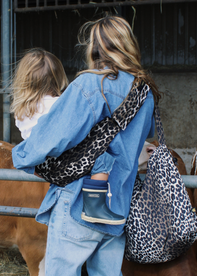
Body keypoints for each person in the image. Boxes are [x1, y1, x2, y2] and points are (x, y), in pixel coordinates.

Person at [12, 15, 159, 276]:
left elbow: (47, 140)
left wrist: (20, 156)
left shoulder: (87, 86)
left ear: (94, 46)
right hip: (115, 210)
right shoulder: (144, 93)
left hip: (79, 206)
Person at [11, 47, 125, 225]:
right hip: (63, 161)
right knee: (103, 159)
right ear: (58, 78)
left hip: (41, 166)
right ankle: (95, 206)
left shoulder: (21, 112)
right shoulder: (58, 104)